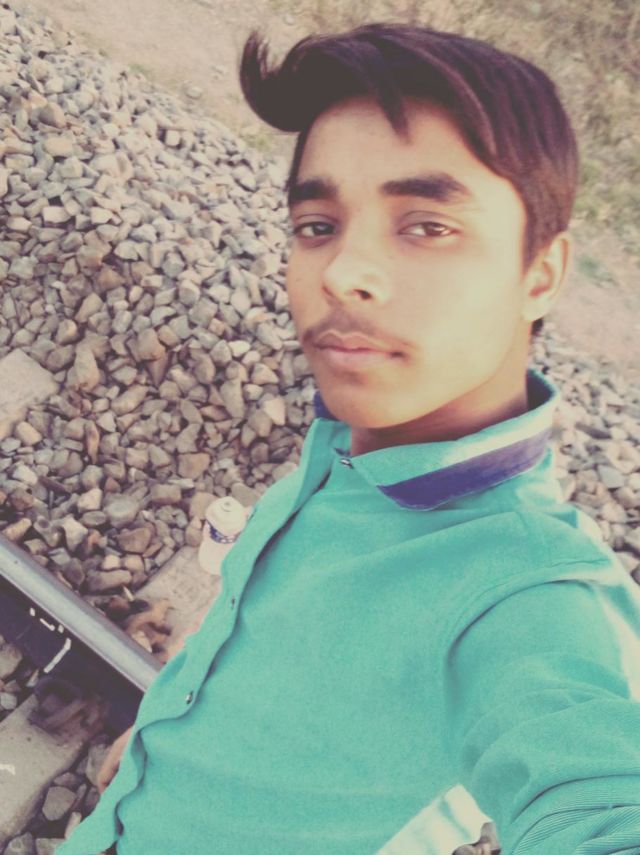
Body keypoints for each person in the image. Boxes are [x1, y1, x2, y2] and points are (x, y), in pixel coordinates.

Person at [57, 22, 640, 855]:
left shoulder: (532, 595)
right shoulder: (352, 441)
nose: (340, 273)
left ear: (540, 273)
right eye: (317, 224)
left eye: (427, 225)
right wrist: (159, 739)